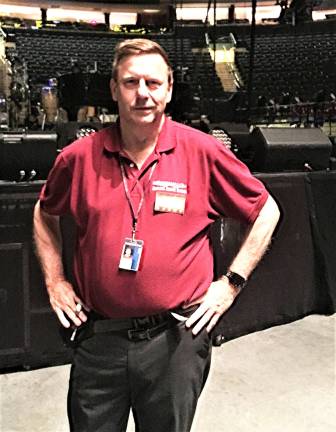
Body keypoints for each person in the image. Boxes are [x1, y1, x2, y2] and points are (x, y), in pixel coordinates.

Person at [33, 38, 280, 432]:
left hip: (175, 341)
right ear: (114, 90)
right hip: (99, 339)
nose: (142, 94)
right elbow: (44, 213)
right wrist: (55, 279)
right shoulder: (78, 159)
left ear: (168, 89)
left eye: (153, 83)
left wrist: (230, 283)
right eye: (131, 83)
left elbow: (267, 209)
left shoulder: (202, 151)